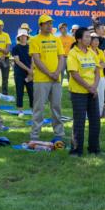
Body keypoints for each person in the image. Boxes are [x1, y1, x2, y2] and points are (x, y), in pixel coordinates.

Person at [29, 14, 65, 142]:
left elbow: (61, 57)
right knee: (39, 108)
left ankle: (59, 133)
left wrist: (57, 72)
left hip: (56, 79)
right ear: (40, 25)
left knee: (56, 106)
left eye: (51, 23)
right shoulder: (34, 40)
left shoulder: (56, 39)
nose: (50, 25)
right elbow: (36, 60)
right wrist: (50, 73)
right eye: (47, 23)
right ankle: (34, 135)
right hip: (41, 79)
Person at [66, 27, 100, 156]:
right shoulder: (73, 53)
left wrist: (94, 87)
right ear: (79, 39)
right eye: (86, 36)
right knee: (79, 121)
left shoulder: (92, 52)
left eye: (89, 37)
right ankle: (76, 150)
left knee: (95, 121)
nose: (89, 39)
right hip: (78, 92)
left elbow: (97, 70)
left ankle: (94, 148)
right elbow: (74, 74)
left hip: (92, 92)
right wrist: (89, 87)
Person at [11, 29, 33, 117]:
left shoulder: (30, 47)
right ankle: (20, 110)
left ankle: (33, 109)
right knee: (19, 91)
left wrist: (31, 72)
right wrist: (28, 70)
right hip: (19, 73)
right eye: (21, 36)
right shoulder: (15, 48)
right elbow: (17, 61)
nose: (23, 37)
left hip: (29, 73)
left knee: (31, 91)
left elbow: (33, 60)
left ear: (27, 37)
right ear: (19, 37)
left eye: (25, 36)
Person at [90, 33, 105, 116]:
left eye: (97, 40)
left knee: (101, 96)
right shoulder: (87, 51)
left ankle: (99, 114)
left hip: (101, 77)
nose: (96, 42)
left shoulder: (100, 51)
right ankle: (88, 114)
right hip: (90, 77)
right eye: (94, 40)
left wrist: (96, 66)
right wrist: (99, 64)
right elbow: (90, 66)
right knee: (90, 96)